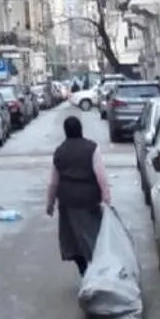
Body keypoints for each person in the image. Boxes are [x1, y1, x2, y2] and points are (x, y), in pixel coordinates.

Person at [47, 113, 110, 273]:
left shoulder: (60, 151)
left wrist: (50, 203)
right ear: (81, 129)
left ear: (65, 131)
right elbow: (100, 175)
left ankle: (85, 270)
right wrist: (106, 196)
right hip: (89, 200)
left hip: (68, 203)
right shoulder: (92, 148)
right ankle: (97, 270)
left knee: (73, 241)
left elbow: (53, 182)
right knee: (91, 236)